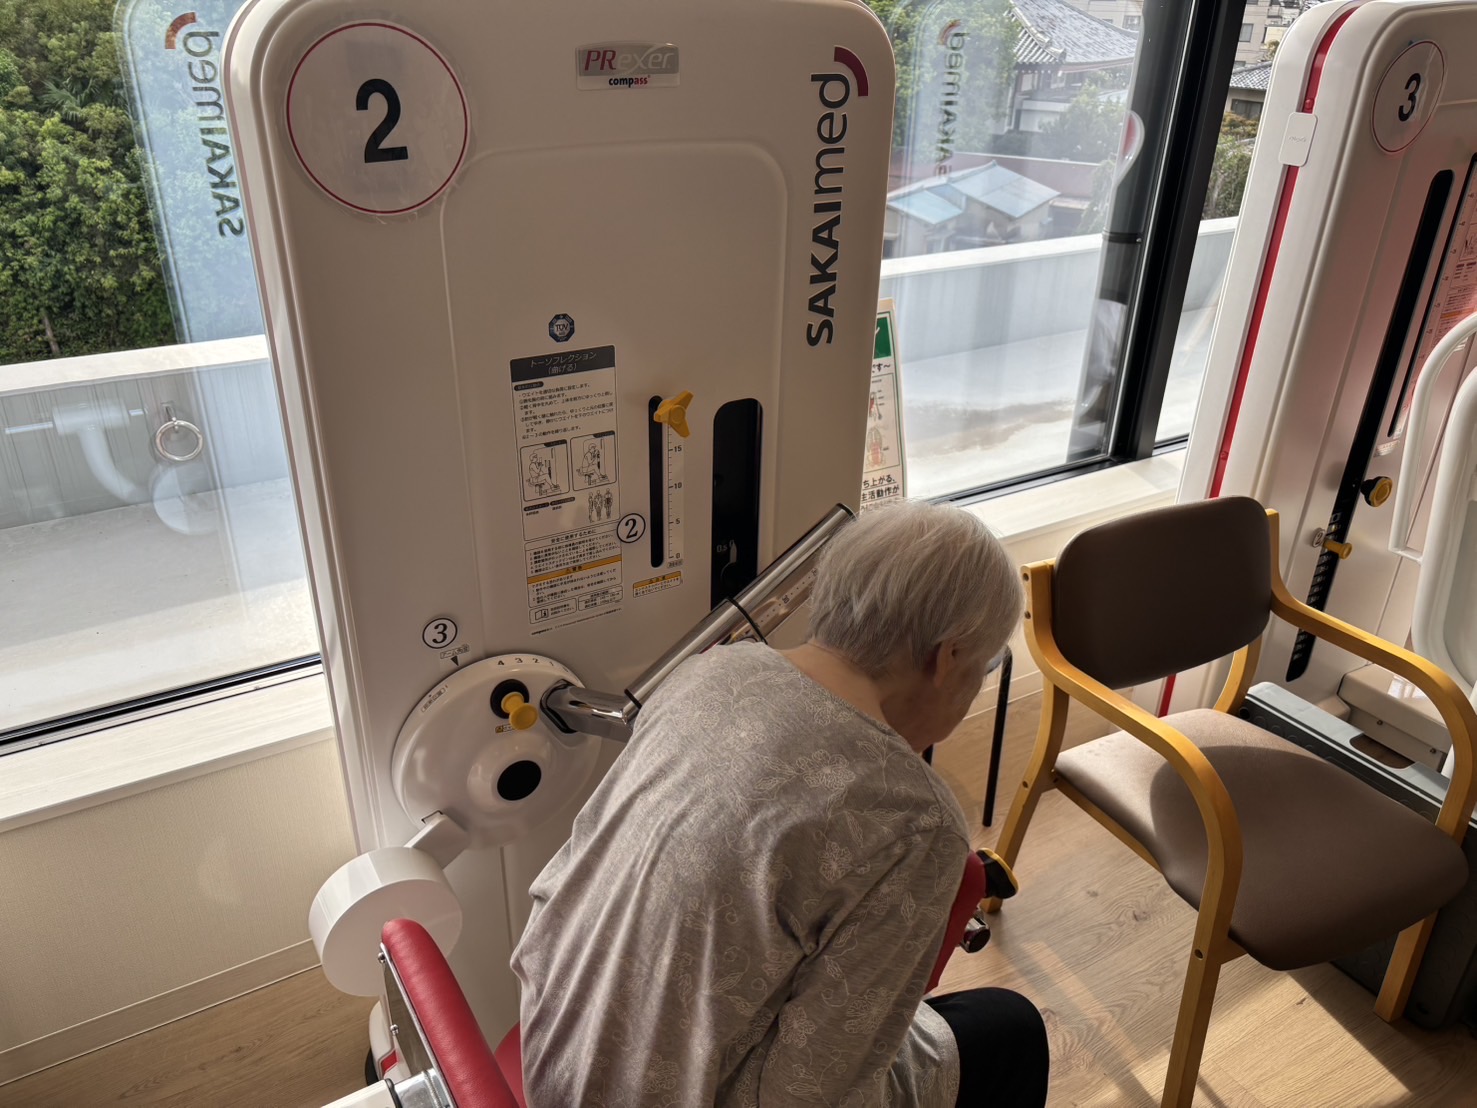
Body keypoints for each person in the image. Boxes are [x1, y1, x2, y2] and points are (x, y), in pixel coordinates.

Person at [511, 500, 1049, 1106]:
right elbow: (814, 1092)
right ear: (947, 658)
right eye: (981, 667)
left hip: (555, 1052)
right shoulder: (916, 820)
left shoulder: (706, 674)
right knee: (1011, 1029)